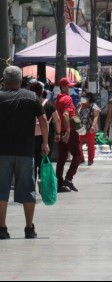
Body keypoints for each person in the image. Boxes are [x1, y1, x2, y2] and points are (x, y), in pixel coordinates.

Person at [0, 66, 49, 239]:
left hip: (2, 152)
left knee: (1, 190)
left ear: (4, 80)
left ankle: (2, 228)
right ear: (20, 81)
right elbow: (43, 120)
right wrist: (45, 142)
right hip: (25, 152)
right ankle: (29, 228)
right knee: (28, 189)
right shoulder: (31, 96)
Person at [55, 77, 82, 193]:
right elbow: (66, 115)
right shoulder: (67, 98)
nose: (69, 87)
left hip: (60, 131)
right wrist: (68, 131)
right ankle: (68, 179)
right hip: (68, 132)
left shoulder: (57, 99)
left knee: (61, 158)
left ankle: (59, 183)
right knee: (78, 155)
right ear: (63, 87)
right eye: (67, 86)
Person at [30, 81, 61, 183]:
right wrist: (58, 133)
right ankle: (42, 180)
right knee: (44, 161)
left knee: (32, 162)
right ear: (42, 91)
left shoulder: (28, 103)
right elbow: (57, 120)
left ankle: (32, 183)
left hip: (30, 138)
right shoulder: (49, 104)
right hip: (46, 137)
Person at [78, 93, 101, 166]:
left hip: (90, 128)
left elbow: (96, 117)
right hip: (81, 128)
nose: (83, 98)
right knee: (78, 144)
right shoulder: (80, 105)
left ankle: (90, 160)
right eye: (83, 97)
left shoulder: (94, 106)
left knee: (90, 145)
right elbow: (76, 115)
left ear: (89, 98)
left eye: (85, 97)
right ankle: (81, 159)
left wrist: (93, 126)